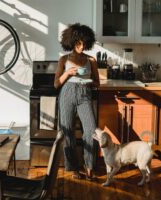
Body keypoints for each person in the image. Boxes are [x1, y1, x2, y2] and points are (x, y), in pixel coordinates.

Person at [54, 23, 100, 180]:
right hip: (67, 94)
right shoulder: (64, 59)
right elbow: (56, 84)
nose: (82, 46)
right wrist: (68, 73)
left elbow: (97, 83)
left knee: (91, 131)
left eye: (84, 43)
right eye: (78, 43)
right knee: (68, 133)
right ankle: (74, 168)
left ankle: (89, 167)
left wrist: (88, 81)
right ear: (72, 42)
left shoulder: (91, 60)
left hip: (84, 95)